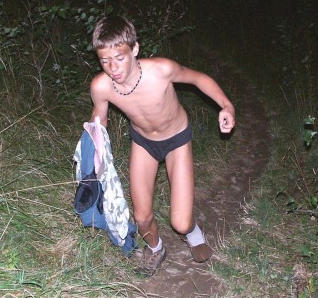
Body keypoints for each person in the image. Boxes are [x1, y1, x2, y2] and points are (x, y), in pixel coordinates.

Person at [89, 16, 236, 275]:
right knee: (142, 217)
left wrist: (226, 106)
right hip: (143, 143)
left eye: (120, 58)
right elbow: (98, 124)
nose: (113, 67)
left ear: (135, 49)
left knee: (180, 222)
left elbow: (198, 79)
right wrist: (93, 155)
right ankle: (156, 248)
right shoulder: (101, 87)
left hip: (177, 139)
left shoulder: (161, 70)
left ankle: (192, 231)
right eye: (104, 61)